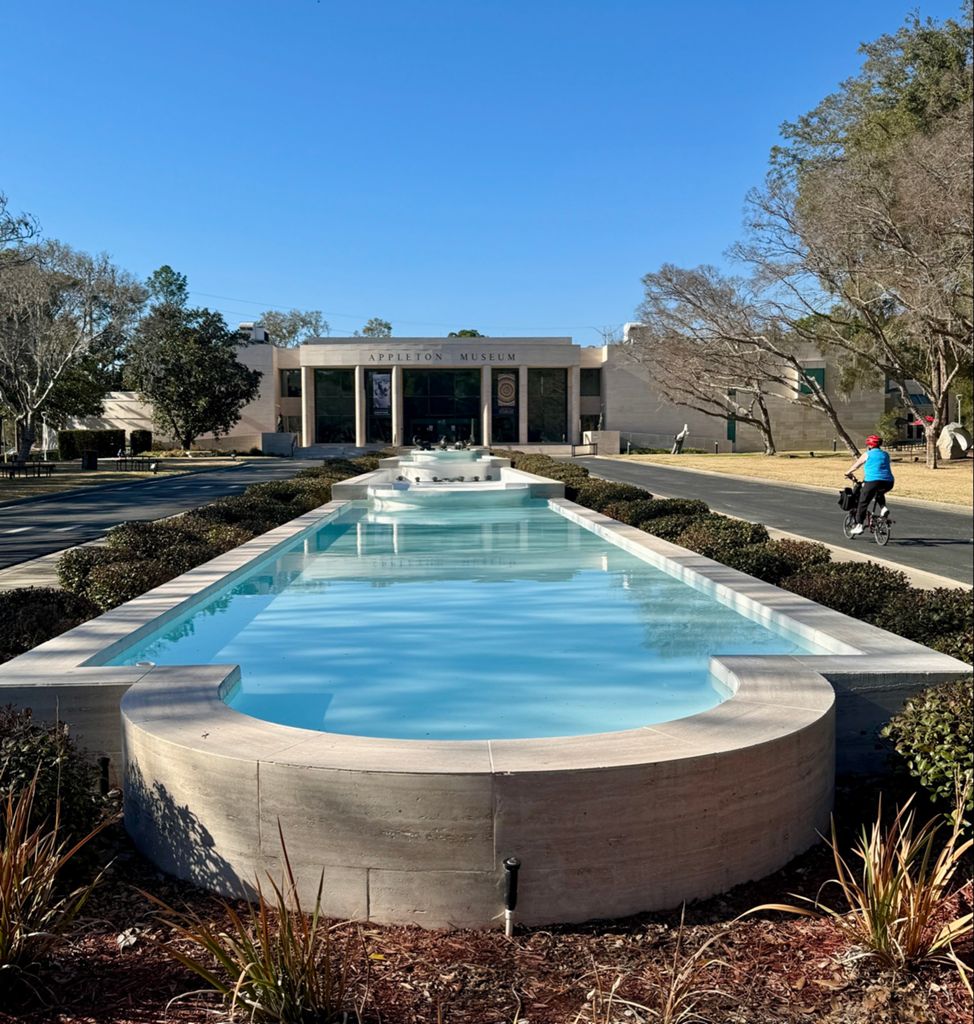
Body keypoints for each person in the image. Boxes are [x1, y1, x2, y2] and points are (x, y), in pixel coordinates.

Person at [845, 434, 894, 536]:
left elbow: (856, 466)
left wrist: (847, 472)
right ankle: (883, 508)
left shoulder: (867, 454)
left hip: (872, 481)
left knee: (862, 502)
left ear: (870, 445)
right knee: (879, 492)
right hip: (888, 482)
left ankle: (859, 526)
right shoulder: (885, 454)